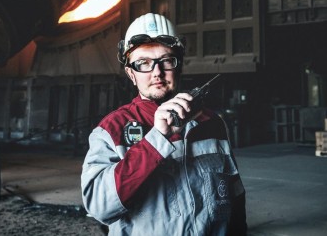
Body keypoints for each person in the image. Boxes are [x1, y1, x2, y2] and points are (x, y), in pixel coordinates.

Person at [81, 13, 247, 235]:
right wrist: (156, 139)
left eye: (166, 60)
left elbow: (235, 198)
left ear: (179, 66)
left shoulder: (212, 123)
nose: (157, 72)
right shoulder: (112, 129)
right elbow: (100, 207)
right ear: (131, 74)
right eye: (143, 63)